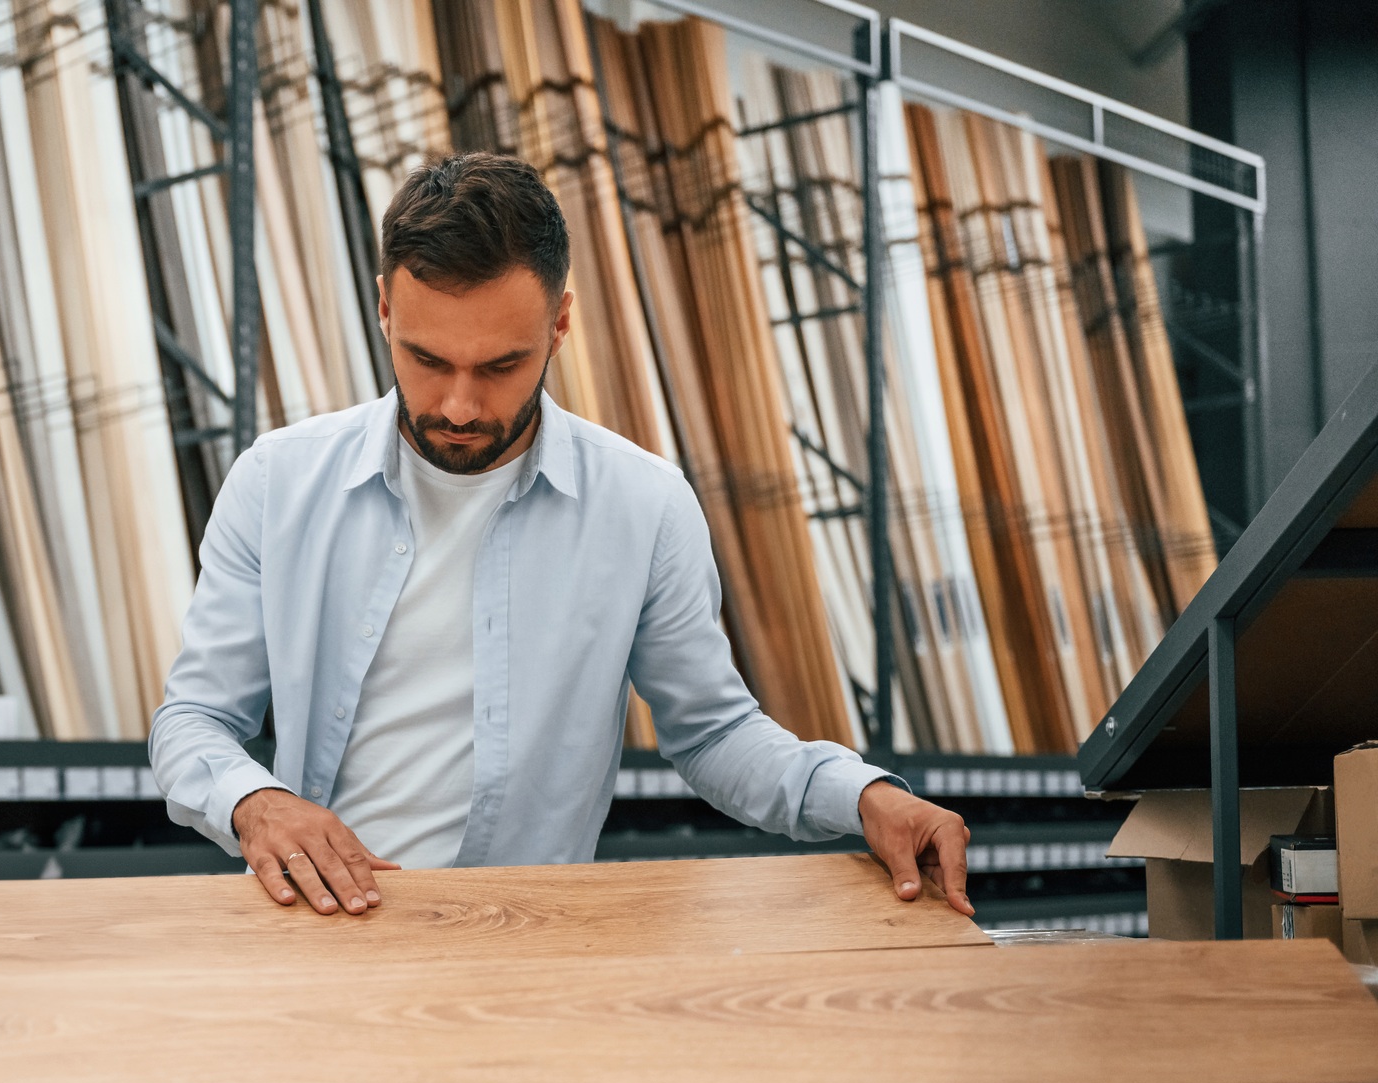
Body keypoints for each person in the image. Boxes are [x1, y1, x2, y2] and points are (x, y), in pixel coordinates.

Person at [150, 152, 971, 918]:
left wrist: (866, 796)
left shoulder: (642, 507)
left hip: (527, 942)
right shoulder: (278, 483)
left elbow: (716, 734)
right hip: (317, 934)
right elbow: (192, 718)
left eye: (500, 365)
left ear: (561, 322)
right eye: (426, 359)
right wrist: (257, 805)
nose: (461, 406)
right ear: (383, 308)